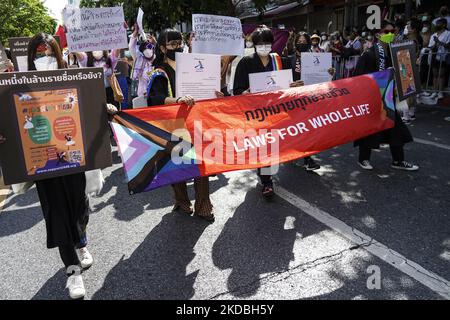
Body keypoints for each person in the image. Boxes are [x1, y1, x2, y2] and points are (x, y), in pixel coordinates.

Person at [25, 33, 93, 299]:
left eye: (49, 53)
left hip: (72, 158)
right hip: (43, 163)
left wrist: (104, 107)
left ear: (58, 53)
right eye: (39, 55)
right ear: (31, 58)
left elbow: (89, 109)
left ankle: (82, 241)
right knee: (57, 215)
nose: (44, 58)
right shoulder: (20, 85)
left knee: (79, 207)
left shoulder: (75, 78)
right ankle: (72, 271)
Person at [146, 28, 223, 222]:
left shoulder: (192, 65)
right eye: (172, 44)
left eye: (179, 43)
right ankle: (181, 202)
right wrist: (178, 100)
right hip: (173, 125)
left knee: (201, 164)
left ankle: (203, 206)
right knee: (176, 165)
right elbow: (155, 99)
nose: (177, 47)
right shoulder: (159, 72)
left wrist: (217, 95)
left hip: (197, 122)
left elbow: (207, 88)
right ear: (162, 48)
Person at [233, 25, 303, 198]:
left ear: (272, 44)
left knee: (274, 144)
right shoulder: (246, 62)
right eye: (260, 43)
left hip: (277, 111)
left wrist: (295, 85)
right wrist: (245, 93)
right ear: (254, 45)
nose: (264, 46)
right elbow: (237, 90)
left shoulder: (282, 61)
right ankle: (267, 181)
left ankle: (266, 173)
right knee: (264, 144)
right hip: (257, 113)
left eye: (267, 43)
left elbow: (291, 85)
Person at [353, 21, 419, 172]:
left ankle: (398, 160)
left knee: (395, 129)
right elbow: (359, 79)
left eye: (393, 31)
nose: (390, 34)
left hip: (389, 100)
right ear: (378, 35)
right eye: (386, 31)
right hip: (372, 99)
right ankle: (363, 159)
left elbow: (404, 75)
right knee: (369, 131)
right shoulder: (369, 55)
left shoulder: (396, 54)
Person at [129, 23, 156, 98]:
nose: (148, 50)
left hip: (155, 95)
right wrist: (135, 33)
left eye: (150, 46)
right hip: (142, 94)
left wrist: (155, 42)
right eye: (145, 48)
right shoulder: (139, 58)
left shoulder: (156, 58)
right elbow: (131, 47)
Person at [428, 18, 450, 101]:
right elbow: (430, 46)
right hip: (434, 56)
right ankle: (435, 91)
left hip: (443, 57)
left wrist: (439, 42)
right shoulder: (433, 35)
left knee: (441, 75)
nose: (437, 25)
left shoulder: (448, 33)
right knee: (435, 75)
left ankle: (440, 92)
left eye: (438, 23)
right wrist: (434, 45)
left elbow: (448, 45)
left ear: (444, 24)